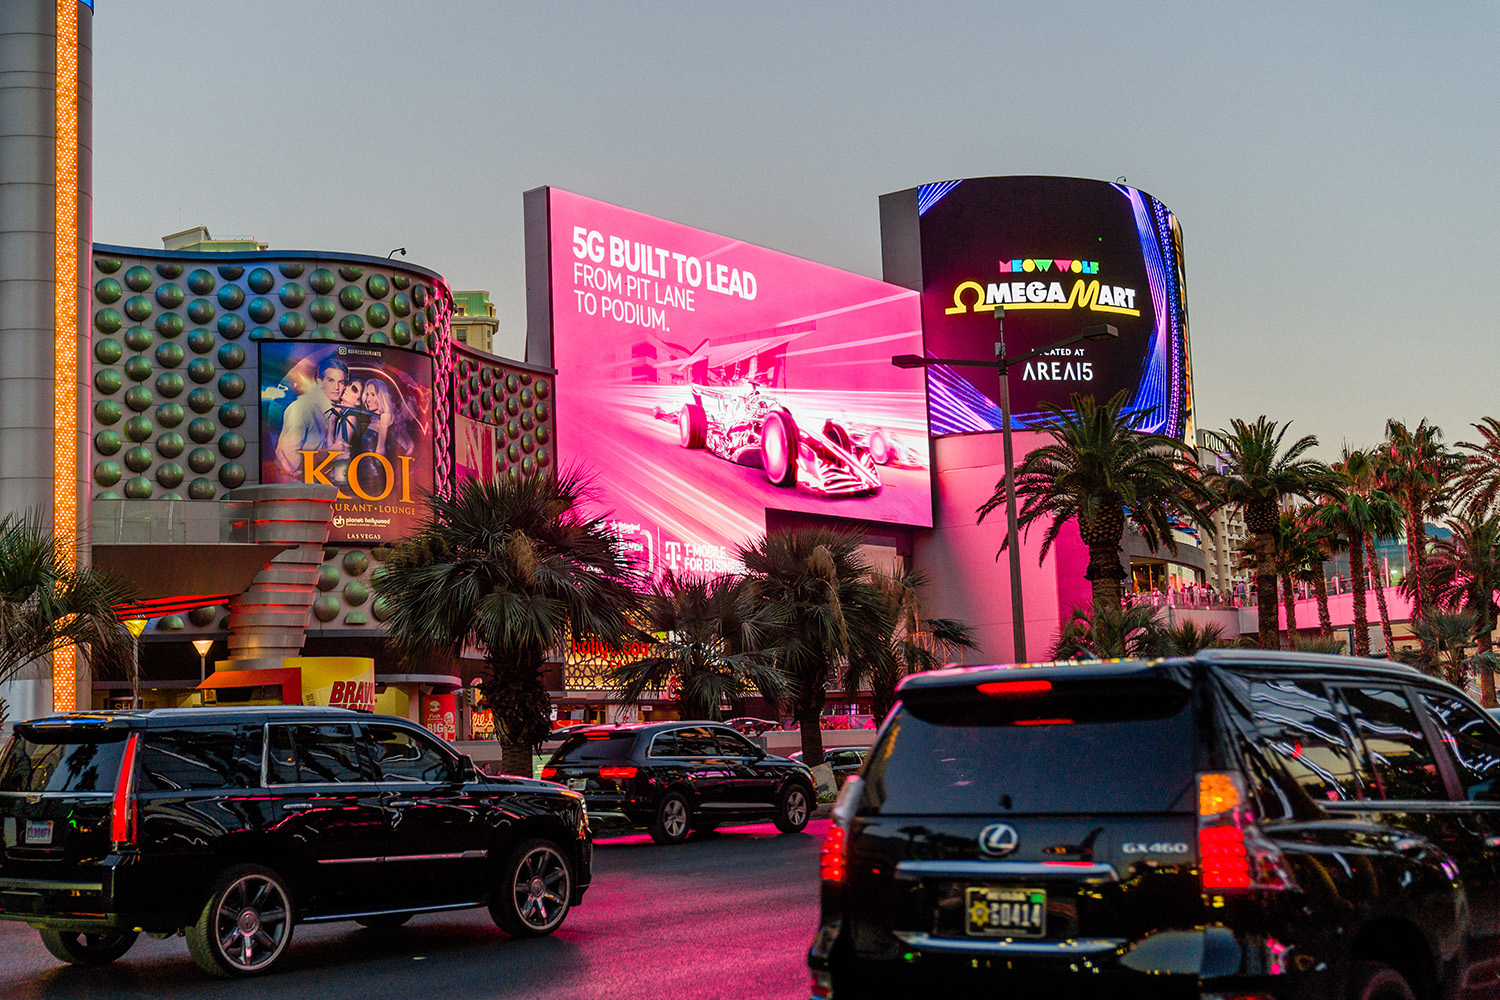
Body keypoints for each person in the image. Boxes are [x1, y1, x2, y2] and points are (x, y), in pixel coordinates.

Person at [273, 356, 348, 480]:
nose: (337, 387)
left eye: (341, 382)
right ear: (319, 382)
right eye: (331, 380)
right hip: (293, 488)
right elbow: (289, 461)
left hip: (309, 485)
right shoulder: (303, 408)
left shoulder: (327, 410)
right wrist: (330, 454)